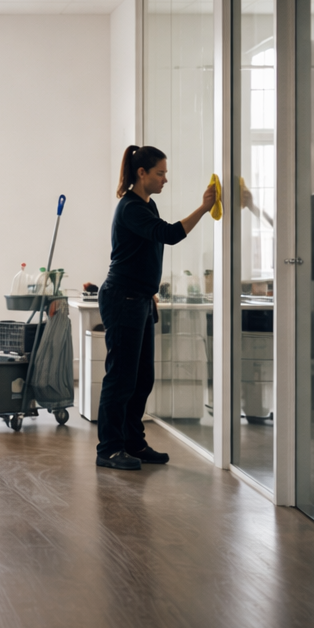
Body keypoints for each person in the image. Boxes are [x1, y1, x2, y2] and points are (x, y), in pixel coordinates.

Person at [96, 145, 217, 470]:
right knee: (121, 378)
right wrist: (204, 208)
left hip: (140, 299)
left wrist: (150, 292)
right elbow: (169, 235)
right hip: (123, 298)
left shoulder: (148, 204)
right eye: (160, 173)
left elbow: (147, 251)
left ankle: (133, 443)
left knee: (142, 379)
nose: (166, 179)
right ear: (142, 174)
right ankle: (108, 449)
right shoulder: (131, 208)